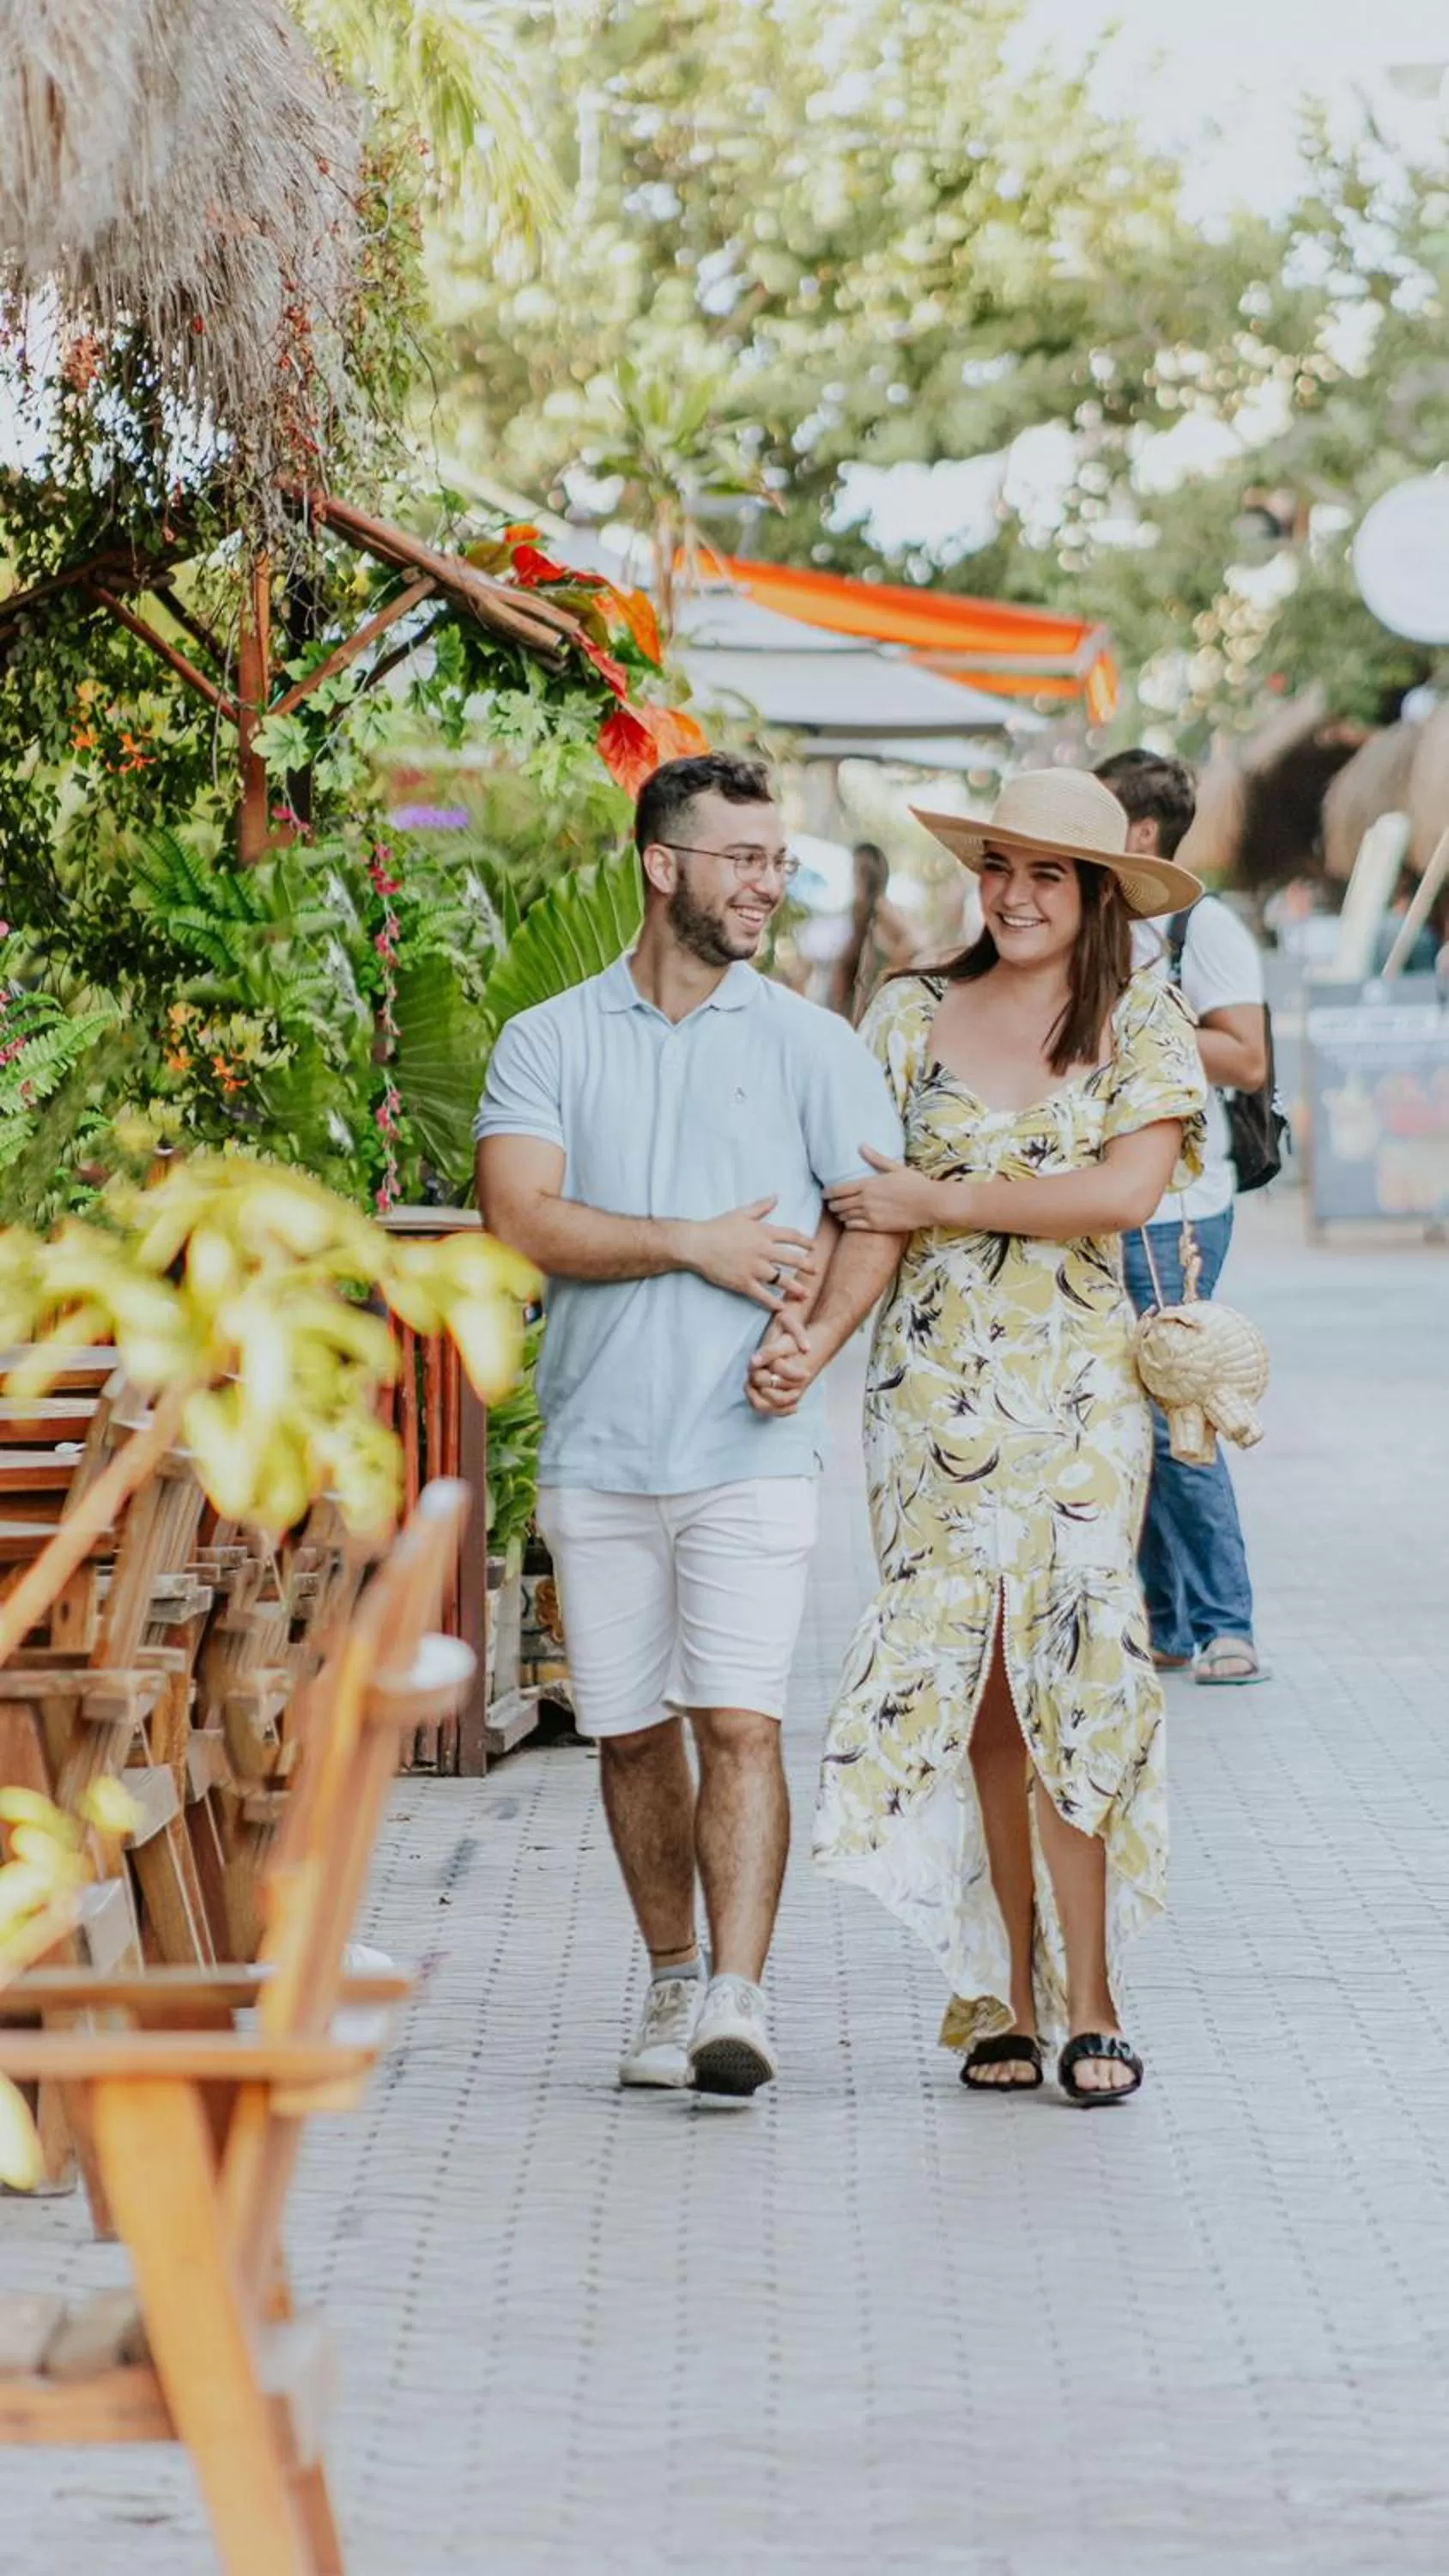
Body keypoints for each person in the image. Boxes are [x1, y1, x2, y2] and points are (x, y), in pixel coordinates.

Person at [749, 769, 1207, 2104]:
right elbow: (856, 1206)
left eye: (1046, 873)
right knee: (983, 1691)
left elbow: (1123, 1192)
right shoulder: (905, 1014)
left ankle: (1096, 2003)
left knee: (1080, 1672)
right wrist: (804, 1342)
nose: (1013, 893)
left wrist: (939, 1196)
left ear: (1099, 892)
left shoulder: (1142, 1018)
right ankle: (1006, 1993)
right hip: (930, 1394)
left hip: (1078, 1400)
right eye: (998, 866)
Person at [475, 753, 903, 2100]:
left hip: (749, 1455)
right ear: (664, 866)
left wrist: (813, 1341)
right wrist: (694, 1246)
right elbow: (519, 1216)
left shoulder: (812, 1044)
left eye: (777, 860)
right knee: (626, 1733)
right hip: (596, 1450)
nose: (768, 884)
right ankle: (669, 1978)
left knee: (739, 1722)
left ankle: (738, 1994)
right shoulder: (549, 1039)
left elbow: (875, 1216)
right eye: (743, 859)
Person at [1094, 749, 1270, 1687]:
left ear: (1141, 832)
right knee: (1136, 1409)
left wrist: (1125, 1021)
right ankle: (1168, 1622)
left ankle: (1225, 1625)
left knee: (1177, 1406)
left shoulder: (1204, 925)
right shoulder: (1102, 921)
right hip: (1114, 1193)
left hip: (1179, 1206)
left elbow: (1244, 1056)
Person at [828, 841, 918, 1021]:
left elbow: (915, 941)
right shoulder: (859, 910)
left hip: (869, 1005)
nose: (855, 878)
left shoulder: (880, 906)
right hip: (851, 1005)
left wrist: (889, 970)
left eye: (860, 872)